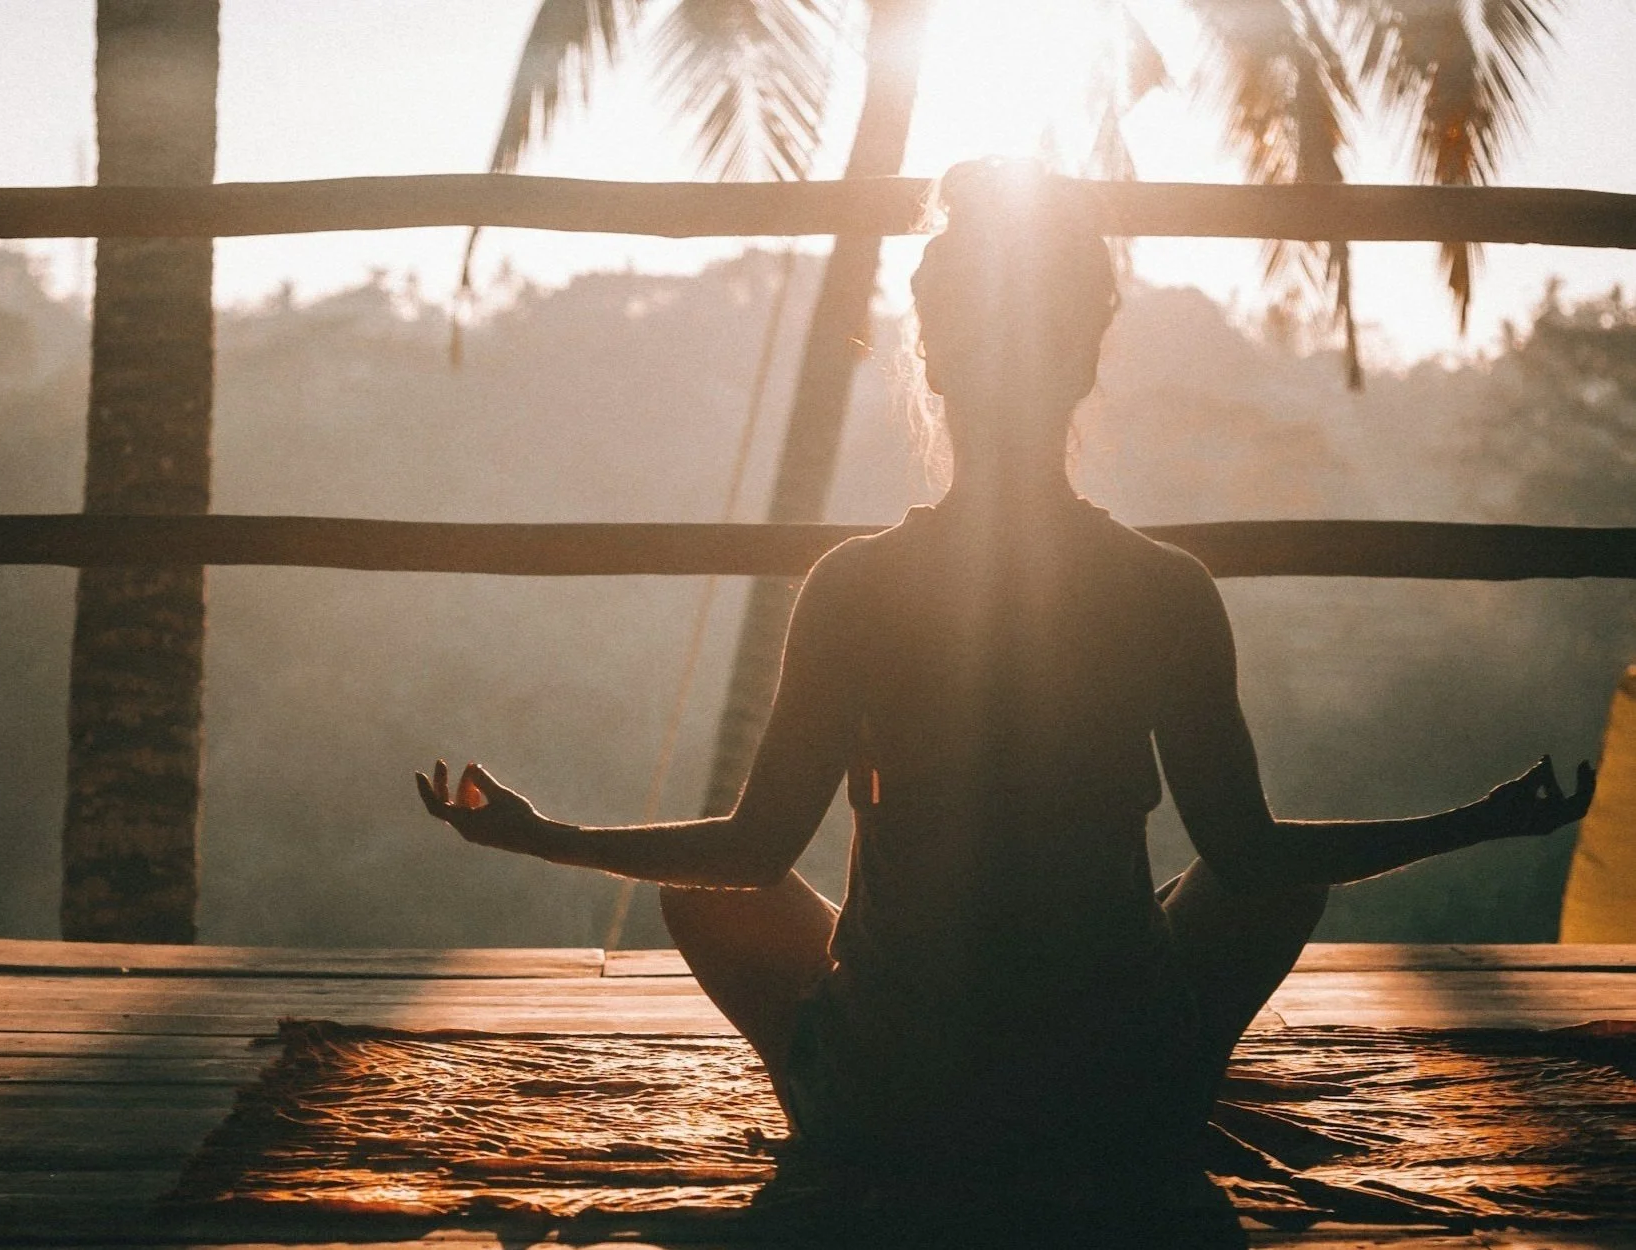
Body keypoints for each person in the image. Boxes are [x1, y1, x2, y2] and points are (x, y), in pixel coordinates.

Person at [417, 159, 1595, 1187]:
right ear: (1083, 362)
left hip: (897, 1107)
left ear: (932, 362)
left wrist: (538, 832)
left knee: (705, 891)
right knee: (1271, 877)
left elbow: (751, 851)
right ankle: (1161, 1079)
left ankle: (838, 1109)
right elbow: (1249, 854)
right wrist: (1477, 821)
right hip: (1112, 1103)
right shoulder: (1160, 587)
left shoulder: (857, 584)